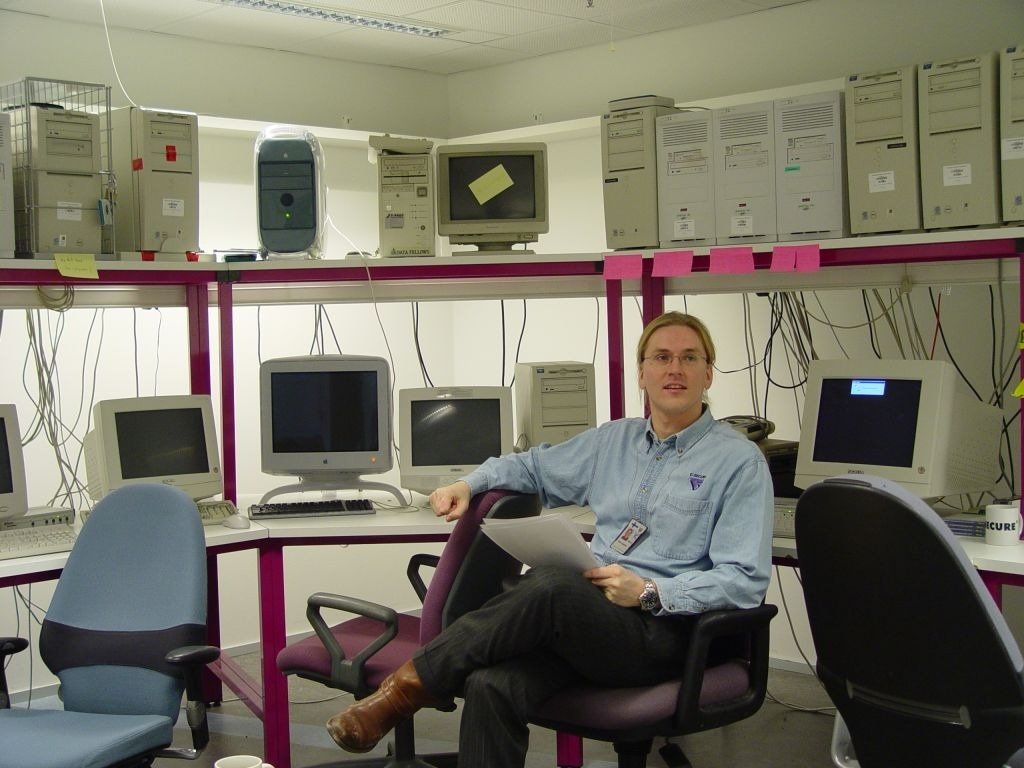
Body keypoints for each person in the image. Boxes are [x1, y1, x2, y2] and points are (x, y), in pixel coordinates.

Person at [326, 310, 773, 767]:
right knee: (490, 685)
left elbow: (744, 581)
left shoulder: (739, 462)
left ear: (708, 373)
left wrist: (650, 591)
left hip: (669, 634)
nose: (674, 369)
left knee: (552, 584)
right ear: (641, 373)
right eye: (661, 357)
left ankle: (405, 690)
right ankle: (422, 684)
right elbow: (531, 466)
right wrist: (468, 484)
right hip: (595, 624)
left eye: (689, 357)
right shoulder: (613, 442)